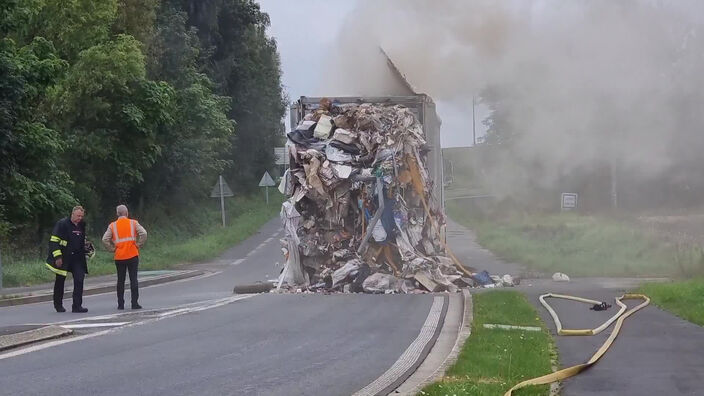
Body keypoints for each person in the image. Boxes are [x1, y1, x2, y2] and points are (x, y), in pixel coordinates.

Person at [102, 204, 147, 310]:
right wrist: (138, 244)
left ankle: (120, 304)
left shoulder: (112, 226)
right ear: (127, 213)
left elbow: (105, 239)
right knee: (133, 279)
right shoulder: (133, 223)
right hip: (132, 255)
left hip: (119, 256)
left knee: (120, 280)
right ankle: (134, 303)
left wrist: (112, 249)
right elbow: (144, 233)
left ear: (117, 214)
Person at [45, 206, 89, 313]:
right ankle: (58, 305)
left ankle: (77, 306)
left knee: (79, 279)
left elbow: (82, 239)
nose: (80, 218)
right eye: (78, 216)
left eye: (81, 216)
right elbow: (54, 241)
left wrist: (86, 247)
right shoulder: (62, 224)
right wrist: (57, 257)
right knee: (60, 281)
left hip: (78, 258)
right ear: (72, 214)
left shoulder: (82, 225)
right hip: (64, 258)